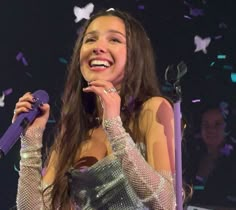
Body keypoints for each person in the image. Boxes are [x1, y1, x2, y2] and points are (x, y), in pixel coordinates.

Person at [13, 9, 176, 209]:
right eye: (90, 40)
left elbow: (167, 203)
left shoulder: (153, 109)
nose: (98, 47)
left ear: (135, 55)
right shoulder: (73, 132)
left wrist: (114, 126)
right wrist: (30, 141)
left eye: (114, 40)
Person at [183, 102, 236, 208]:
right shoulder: (192, 156)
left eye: (217, 124)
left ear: (227, 128)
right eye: (206, 124)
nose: (210, 129)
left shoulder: (233, 160)